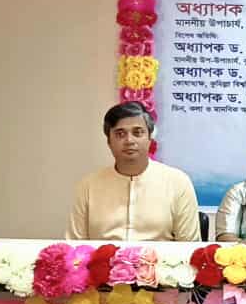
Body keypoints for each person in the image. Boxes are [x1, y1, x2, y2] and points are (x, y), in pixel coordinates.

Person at [66, 101, 200, 241]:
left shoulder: (178, 182)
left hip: (161, 256)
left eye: (137, 132)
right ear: (109, 142)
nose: (129, 140)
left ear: (149, 138)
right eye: (120, 134)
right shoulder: (88, 186)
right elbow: (75, 246)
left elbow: (189, 246)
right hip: (104, 256)